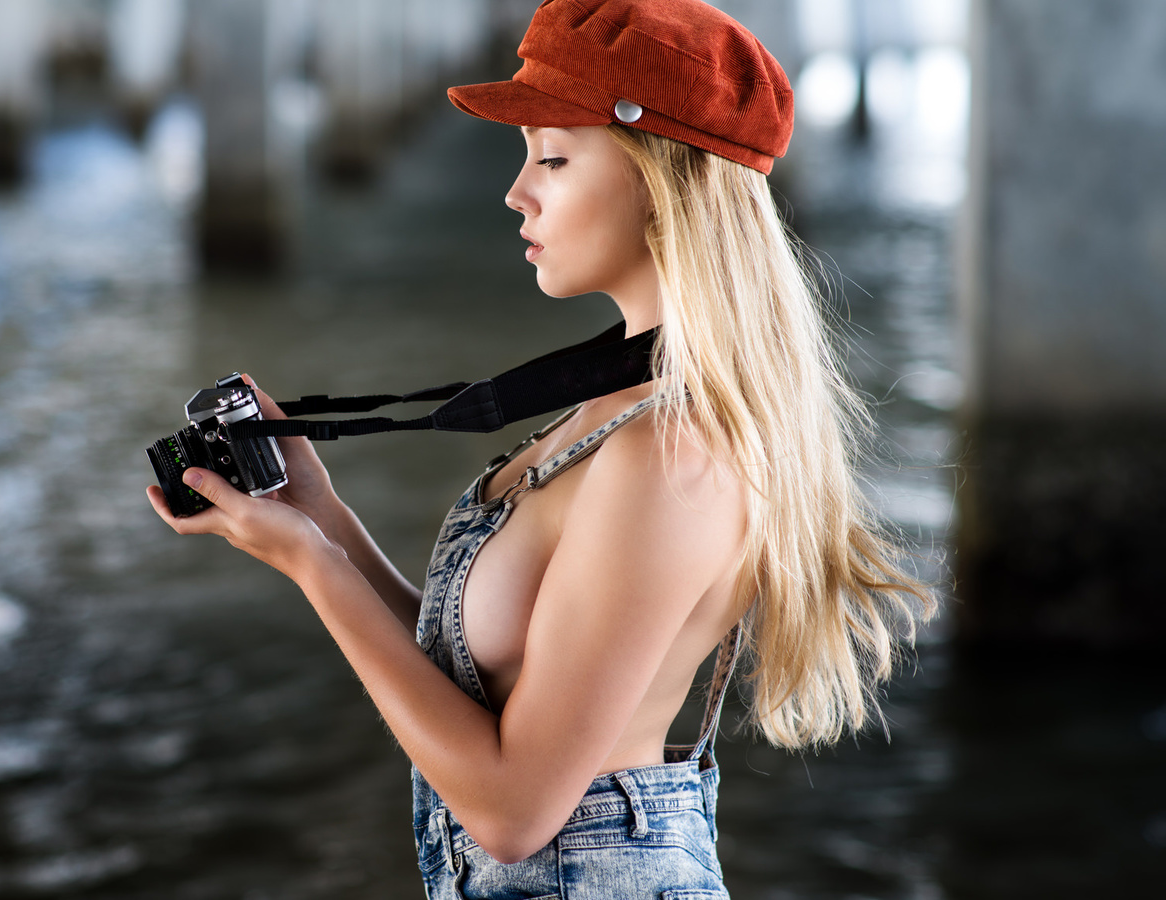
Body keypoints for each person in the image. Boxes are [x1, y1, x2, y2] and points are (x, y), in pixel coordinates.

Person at [147, 0, 934, 896]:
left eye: (553, 157)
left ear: (658, 181)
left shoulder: (670, 453)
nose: (517, 191)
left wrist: (314, 572)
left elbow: (516, 811)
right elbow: (476, 686)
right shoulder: (614, 403)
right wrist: (323, 522)